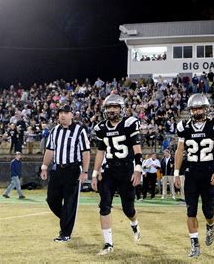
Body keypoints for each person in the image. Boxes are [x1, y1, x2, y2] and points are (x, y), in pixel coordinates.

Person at [173, 93, 214, 258]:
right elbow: (180, 150)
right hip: (191, 173)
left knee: (208, 212)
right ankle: (195, 244)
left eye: (200, 108)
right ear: (190, 110)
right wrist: (176, 173)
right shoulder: (183, 127)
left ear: (206, 108)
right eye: (194, 109)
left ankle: (210, 227)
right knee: (191, 211)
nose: (197, 111)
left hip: (209, 173)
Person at [91, 94, 143, 255]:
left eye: (114, 107)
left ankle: (134, 224)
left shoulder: (129, 124)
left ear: (121, 108)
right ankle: (108, 244)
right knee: (104, 204)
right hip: (109, 170)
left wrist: (138, 169)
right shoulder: (101, 128)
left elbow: (137, 149)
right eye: (108, 107)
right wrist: (95, 172)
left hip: (127, 170)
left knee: (128, 209)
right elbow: (100, 151)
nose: (111, 110)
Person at [40, 104, 91, 242]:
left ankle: (65, 233)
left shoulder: (80, 130)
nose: (62, 115)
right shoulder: (54, 130)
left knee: (69, 202)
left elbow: (86, 152)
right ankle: (67, 218)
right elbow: (50, 150)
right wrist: (44, 166)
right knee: (51, 200)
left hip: (73, 170)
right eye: (61, 112)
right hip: (57, 170)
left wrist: (85, 171)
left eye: (66, 112)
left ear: (72, 115)